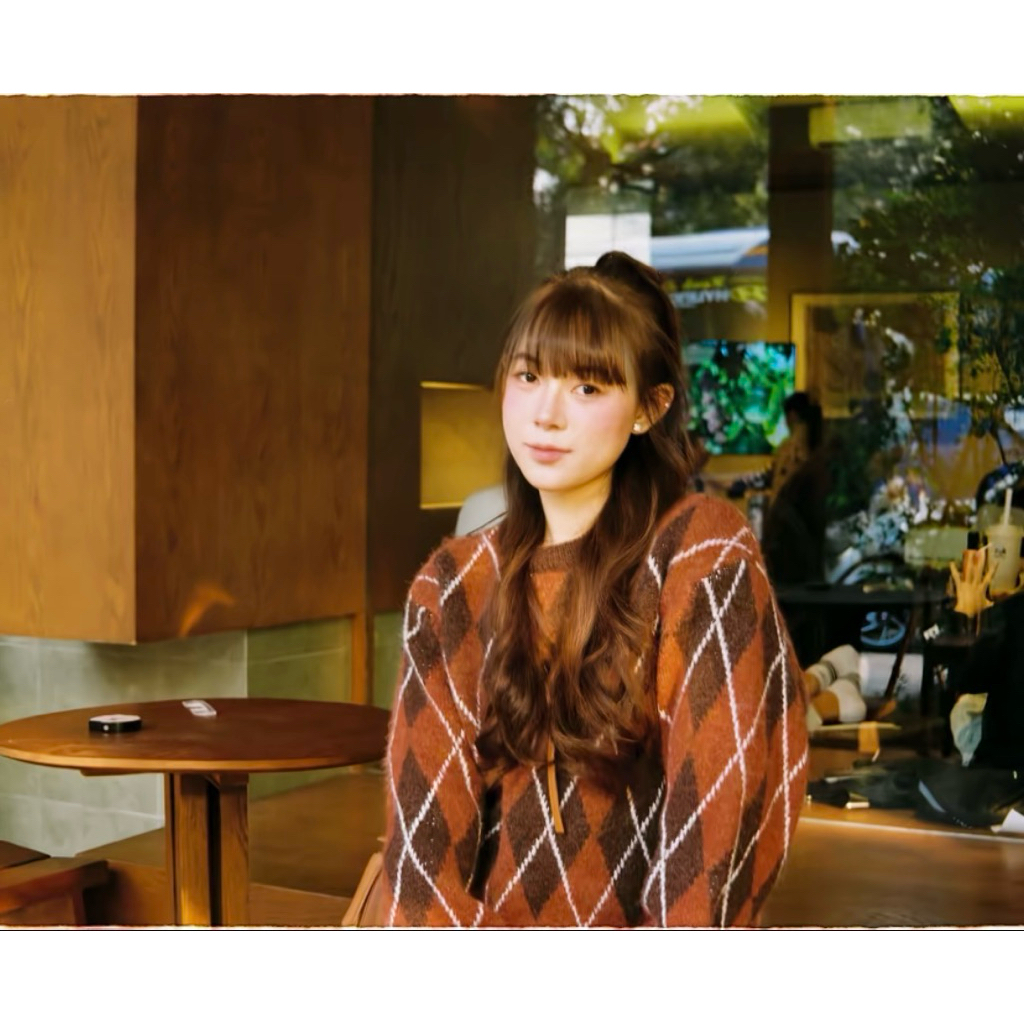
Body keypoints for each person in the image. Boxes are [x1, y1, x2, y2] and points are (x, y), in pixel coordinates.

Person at [382, 260, 809, 927]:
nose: (546, 415)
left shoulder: (698, 554)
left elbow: (719, 832)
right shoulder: (455, 583)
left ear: (649, 408)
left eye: (586, 387)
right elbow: (421, 864)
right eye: (529, 377)